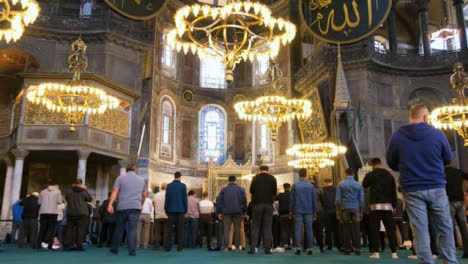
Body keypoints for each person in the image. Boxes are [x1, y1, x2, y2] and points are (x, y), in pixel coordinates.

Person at [386, 104, 457, 264]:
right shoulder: (437, 134)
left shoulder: (398, 135)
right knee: (444, 226)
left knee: (419, 228)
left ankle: (426, 261)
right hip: (436, 185)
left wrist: (407, 167)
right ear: (426, 117)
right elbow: (448, 158)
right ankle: (450, 261)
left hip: (411, 188)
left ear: (410, 117)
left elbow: (391, 162)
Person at [362, 158, 398, 259]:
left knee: (375, 229)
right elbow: (393, 192)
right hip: (388, 206)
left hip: (375, 206)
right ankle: (394, 253)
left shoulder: (371, 175)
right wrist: (394, 205)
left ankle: (376, 253)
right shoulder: (389, 175)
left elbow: (364, 184)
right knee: (390, 230)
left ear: (372, 165)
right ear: (381, 164)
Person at [108, 164, 147, 256]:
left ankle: (114, 249)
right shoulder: (142, 179)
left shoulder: (120, 178)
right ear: (135, 170)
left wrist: (110, 204)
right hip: (135, 207)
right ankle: (132, 251)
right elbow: (145, 194)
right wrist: (141, 204)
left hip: (122, 206)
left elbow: (114, 191)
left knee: (119, 229)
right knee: (132, 229)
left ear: (126, 170)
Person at [249, 165, 277, 254]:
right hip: (268, 205)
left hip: (257, 205)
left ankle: (253, 248)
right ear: (268, 170)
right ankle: (267, 249)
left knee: (255, 227)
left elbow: (251, 190)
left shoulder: (255, 178)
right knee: (267, 227)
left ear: (259, 170)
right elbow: (274, 192)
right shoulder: (273, 178)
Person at [335, 168, 364, 255]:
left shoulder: (341, 184)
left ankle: (347, 248)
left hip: (344, 208)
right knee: (356, 228)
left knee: (345, 229)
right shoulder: (358, 185)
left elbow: (338, 200)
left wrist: (337, 211)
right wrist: (361, 211)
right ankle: (357, 248)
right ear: (353, 174)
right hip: (355, 208)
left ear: (345, 174)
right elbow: (361, 200)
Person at [290, 168, 317, 255]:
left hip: (298, 210)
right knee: (309, 230)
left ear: (299, 175)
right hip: (309, 210)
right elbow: (314, 200)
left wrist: (291, 210)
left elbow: (292, 200)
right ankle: (310, 249)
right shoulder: (311, 186)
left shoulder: (295, 186)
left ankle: (298, 248)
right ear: (306, 175)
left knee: (297, 230)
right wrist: (315, 211)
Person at [217, 175, 247, 252]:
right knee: (237, 229)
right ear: (235, 180)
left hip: (226, 212)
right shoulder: (241, 189)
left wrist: (219, 212)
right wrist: (244, 212)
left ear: (228, 180)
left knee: (227, 229)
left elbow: (219, 201)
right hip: (238, 212)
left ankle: (226, 247)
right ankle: (237, 247)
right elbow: (244, 201)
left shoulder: (224, 190)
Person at [445, 165, 468, 258]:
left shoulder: (441, 172)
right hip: (460, 201)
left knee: (448, 228)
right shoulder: (459, 171)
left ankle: (449, 252)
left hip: (450, 202)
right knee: (463, 227)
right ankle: (467, 251)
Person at [63, 179, 92, 251]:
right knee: (80, 229)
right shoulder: (83, 191)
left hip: (71, 212)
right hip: (82, 213)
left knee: (69, 229)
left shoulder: (69, 191)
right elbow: (90, 199)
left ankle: (67, 245)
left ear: (74, 183)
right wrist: (85, 189)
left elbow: (66, 199)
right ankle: (79, 245)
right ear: (81, 184)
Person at [164, 171, 188, 252]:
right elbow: (185, 199)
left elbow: (167, 198)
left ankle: (168, 247)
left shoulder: (169, 186)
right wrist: (185, 210)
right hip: (181, 210)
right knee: (180, 229)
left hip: (170, 210)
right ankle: (180, 247)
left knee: (169, 229)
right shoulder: (183, 186)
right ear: (180, 177)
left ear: (174, 176)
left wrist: (166, 209)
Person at [37, 184, 63, 250]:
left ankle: (39, 245)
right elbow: (60, 201)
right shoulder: (57, 192)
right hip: (53, 212)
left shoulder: (42, 191)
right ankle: (50, 246)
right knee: (52, 230)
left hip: (43, 212)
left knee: (42, 229)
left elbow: (39, 202)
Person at [319, 178, 340, 251]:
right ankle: (338, 244)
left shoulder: (322, 190)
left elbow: (322, 201)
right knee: (336, 229)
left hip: (326, 211)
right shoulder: (336, 189)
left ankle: (329, 245)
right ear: (331, 182)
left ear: (325, 183)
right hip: (335, 211)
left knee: (328, 229)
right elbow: (338, 200)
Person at [152, 183, 168, 250]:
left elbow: (153, 204)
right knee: (166, 231)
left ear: (161, 187)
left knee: (157, 231)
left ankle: (157, 245)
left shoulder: (155, 195)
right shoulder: (168, 195)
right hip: (166, 215)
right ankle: (165, 245)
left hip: (157, 215)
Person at [277, 183, 292, 249]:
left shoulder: (280, 195)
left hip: (282, 215)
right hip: (291, 214)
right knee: (291, 230)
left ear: (283, 187)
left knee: (283, 230)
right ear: (290, 187)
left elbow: (274, 199)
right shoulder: (292, 195)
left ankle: (285, 244)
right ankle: (294, 244)